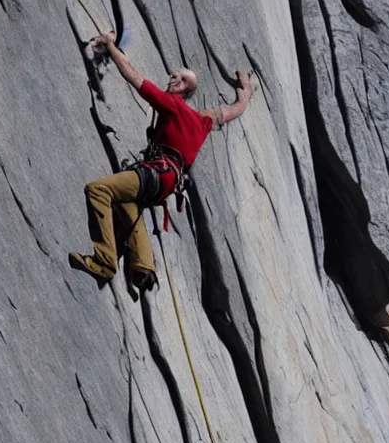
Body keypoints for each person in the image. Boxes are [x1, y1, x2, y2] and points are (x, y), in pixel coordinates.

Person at [69, 30, 255, 291]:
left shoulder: (172, 105)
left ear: (185, 88)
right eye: (174, 74)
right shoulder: (204, 121)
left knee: (98, 190)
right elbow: (236, 109)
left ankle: (104, 261)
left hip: (156, 172)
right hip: (166, 181)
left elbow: (133, 76)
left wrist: (110, 46)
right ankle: (144, 266)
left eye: (178, 77)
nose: (172, 77)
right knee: (125, 202)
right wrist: (245, 91)